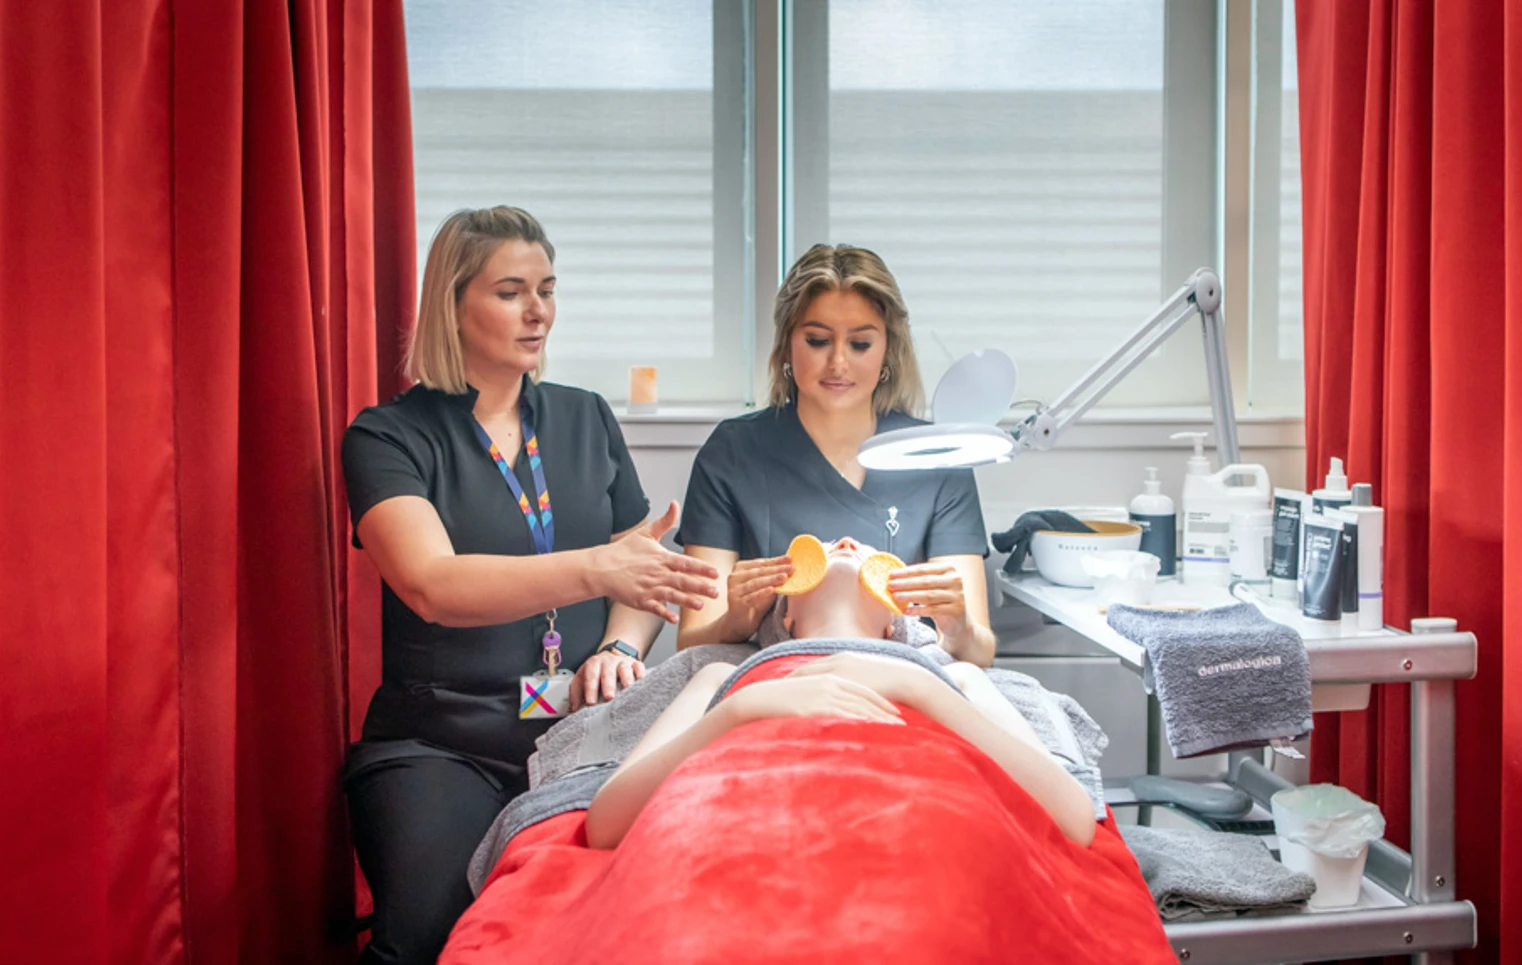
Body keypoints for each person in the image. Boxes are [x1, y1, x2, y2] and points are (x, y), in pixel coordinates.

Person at [340, 206, 720, 964]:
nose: (538, 310)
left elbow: (637, 566)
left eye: (547, 289)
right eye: (511, 291)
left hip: (584, 733)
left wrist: (619, 643)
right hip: (443, 742)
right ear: (452, 304)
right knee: (425, 939)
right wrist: (596, 566)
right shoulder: (386, 436)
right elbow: (432, 585)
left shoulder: (585, 416)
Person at [586, 536, 1097, 851]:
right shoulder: (723, 676)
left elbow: (1075, 820)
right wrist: (741, 708)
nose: (847, 542)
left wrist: (916, 684)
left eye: (867, 551)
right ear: (785, 617)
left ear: (894, 626)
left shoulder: (954, 678)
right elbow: (606, 824)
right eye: (826, 547)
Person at [675, 243, 995, 665]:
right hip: (775, 683)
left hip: (901, 683)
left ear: (887, 351)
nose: (839, 362)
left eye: (860, 343)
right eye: (818, 340)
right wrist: (736, 620)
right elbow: (692, 642)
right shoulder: (733, 454)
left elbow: (979, 652)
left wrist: (959, 627)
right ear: (787, 346)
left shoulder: (934, 457)